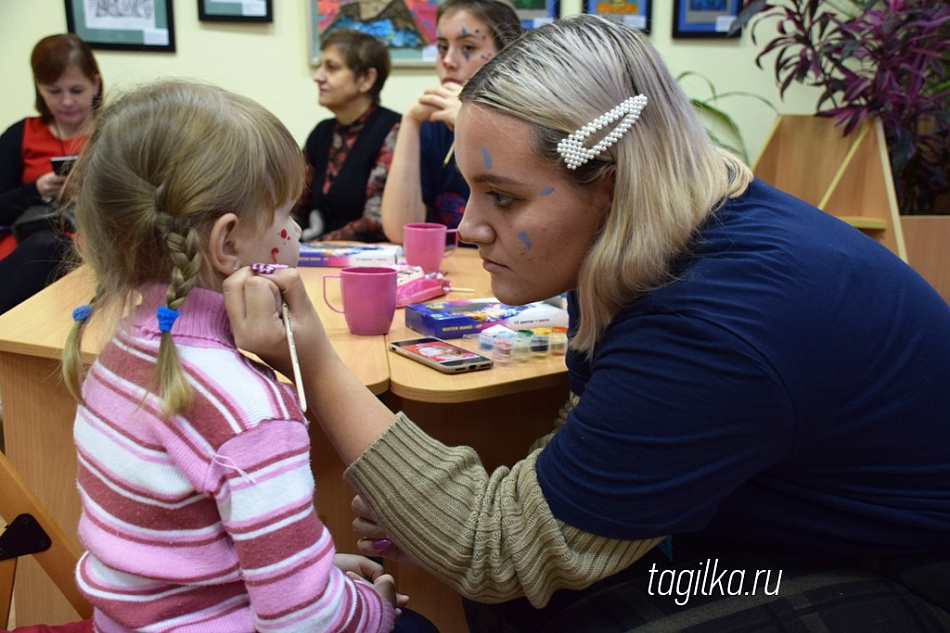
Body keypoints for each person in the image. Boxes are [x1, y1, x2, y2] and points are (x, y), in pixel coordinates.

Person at [224, 15, 950, 633]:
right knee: (518, 606)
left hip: (897, 568)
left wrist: (311, 358)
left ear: (611, 182)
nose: (470, 226)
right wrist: (439, 518)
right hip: (769, 531)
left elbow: (496, 550)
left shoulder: (716, 317)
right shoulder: (644, 241)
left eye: (503, 198)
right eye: (472, 190)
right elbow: (584, 447)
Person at [60, 79, 406, 632]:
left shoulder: (120, 353)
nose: (294, 231)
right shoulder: (249, 407)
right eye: (287, 214)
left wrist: (312, 569)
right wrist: (374, 606)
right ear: (226, 245)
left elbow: (183, 555)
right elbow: (305, 623)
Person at [379, 0, 522, 244]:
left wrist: (475, 126)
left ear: (506, 56)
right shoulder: (432, 125)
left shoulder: (529, 123)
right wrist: (410, 123)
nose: (448, 61)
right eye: (443, 47)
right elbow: (400, 232)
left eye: (467, 47)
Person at [0, 33, 102, 314]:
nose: (66, 102)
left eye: (76, 90)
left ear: (94, 84)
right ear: (39, 89)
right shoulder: (20, 134)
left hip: (88, 249)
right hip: (23, 244)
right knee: (45, 246)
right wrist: (36, 190)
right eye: (54, 91)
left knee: (51, 246)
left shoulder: (114, 131)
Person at [301, 29, 401, 243]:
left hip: (375, 265)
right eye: (320, 67)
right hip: (319, 259)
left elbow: (377, 222)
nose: (317, 77)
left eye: (332, 67)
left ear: (366, 78)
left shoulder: (394, 129)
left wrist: (315, 247)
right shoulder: (322, 132)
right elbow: (293, 203)